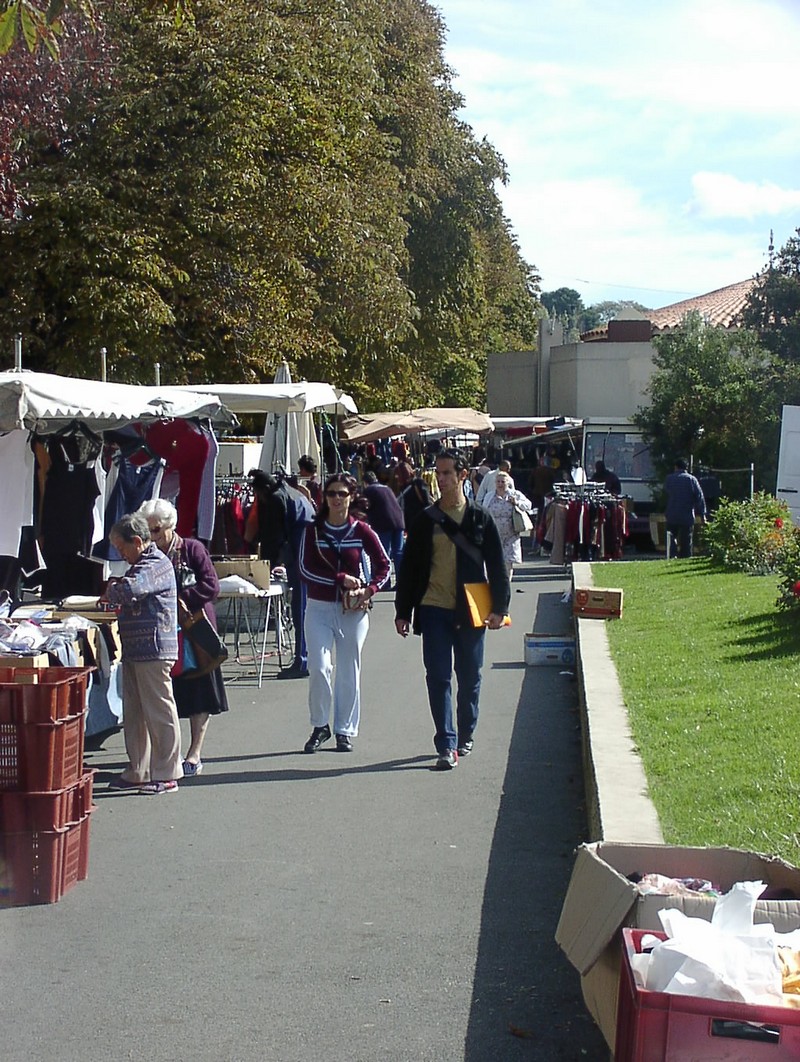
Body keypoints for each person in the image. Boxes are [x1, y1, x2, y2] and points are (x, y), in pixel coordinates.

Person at [394, 449, 510, 770]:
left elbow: (497, 567)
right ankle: (446, 742)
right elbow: (410, 570)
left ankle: (465, 733)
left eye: (447, 473)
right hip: (433, 608)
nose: (441, 479)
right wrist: (403, 611)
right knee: (438, 676)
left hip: (472, 607)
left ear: (462, 475)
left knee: (470, 676)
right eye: (438, 473)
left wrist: (499, 607)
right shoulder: (425, 520)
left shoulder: (479, 518)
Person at [298, 473, 390, 753]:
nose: (336, 499)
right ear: (323, 498)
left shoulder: (362, 530)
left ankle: (344, 730)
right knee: (319, 666)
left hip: (353, 610)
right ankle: (319, 725)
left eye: (342, 494)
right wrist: (340, 579)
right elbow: (304, 570)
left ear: (352, 497)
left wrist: (369, 590)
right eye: (331, 494)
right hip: (319, 608)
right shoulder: (311, 531)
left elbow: (384, 565)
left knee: (349, 669)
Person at [138, 498, 228, 776]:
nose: (151, 536)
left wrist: (178, 598)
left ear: (170, 526)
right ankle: (167, 754)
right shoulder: (146, 555)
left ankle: (194, 753)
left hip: (195, 629)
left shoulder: (192, 549)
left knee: (200, 692)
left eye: (156, 530)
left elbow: (211, 586)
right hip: (161, 633)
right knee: (166, 695)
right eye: (147, 530)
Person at [104, 512, 183, 795]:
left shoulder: (155, 564)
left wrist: (112, 587)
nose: (120, 553)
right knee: (135, 713)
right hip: (137, 649)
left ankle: (168, 772)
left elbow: (130, 590)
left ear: (137, 541)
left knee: (159, 711)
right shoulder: (142, 563)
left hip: (154, 648)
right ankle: (137, 768)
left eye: (122, 548)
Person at [483, 470, 533, 580]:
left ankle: (506, 585)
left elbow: (529, 505)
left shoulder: (515, 495)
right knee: (492, 560)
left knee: (508, 562)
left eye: (503, 482)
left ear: (508, 483)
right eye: (498, 482)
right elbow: (484, 511)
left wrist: (517, 503)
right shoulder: (490, 496)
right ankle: (492, 584)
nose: (500, 484)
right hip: (493, 534)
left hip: (511, 534)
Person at [361, 471, 405, 584]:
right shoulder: (387, 488)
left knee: (384, 553)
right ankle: (402, 581)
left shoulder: (369, 491)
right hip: (399, 521)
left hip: (383, 523)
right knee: (398, 552)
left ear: (365, 483)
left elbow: (363, 508)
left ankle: (385, 581)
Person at [664, 458, 707, 558]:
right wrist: (702, 514)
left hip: (672, 513)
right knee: (686, 540)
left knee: (671, 536)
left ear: (675, 467)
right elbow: (699, 498)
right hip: (686, 514)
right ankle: (685, 557)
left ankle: (671, 555)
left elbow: (666, 491)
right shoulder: (692, 479)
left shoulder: (669, 479)